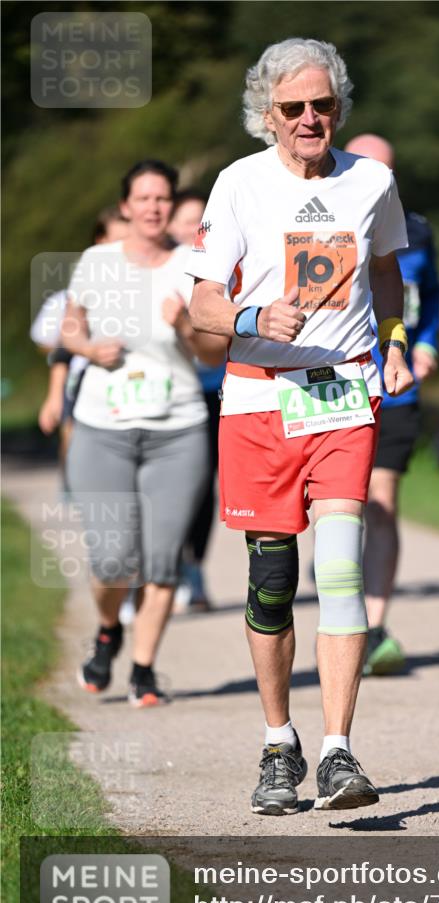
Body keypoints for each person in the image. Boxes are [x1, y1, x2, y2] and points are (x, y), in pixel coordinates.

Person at [188, 38, 413, 814]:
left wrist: (393, 342)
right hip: (257, 397)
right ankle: (277, 744)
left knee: (341, 568)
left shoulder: (372, 180)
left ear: (338, 108)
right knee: (273, 581)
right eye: (293, 108)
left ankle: (339, 752)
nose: (309, 118)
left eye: (322, 105)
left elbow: (386, 272)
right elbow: (200, 303)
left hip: (344, 396)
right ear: (267, 115)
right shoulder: (238, 185)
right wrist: (252, 313)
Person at [63, 160, 226, 707]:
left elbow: (211, 353)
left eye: (163, 198)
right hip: (102, 426)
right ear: (127, 205)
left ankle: (144, 667)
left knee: (161, 560)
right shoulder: (97, 260)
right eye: (144, 198)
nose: (154, 207)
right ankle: (108, 631)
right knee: (112, 559)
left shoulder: (193, 266)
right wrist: (88, 349)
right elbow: (70, 324)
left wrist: (185, 325)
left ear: (172, 206)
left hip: (177, 428)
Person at [344, 134, 439, 675]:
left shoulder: (420, 231)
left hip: (396, 383)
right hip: (333, 384)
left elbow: (433, 298)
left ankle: (373, 627)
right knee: (340, 508)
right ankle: (337, 608)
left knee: (382, 500)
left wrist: (425, 346)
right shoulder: (323, 223)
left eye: (387, 170)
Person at [167, 189, 227, 611]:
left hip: (212, 391)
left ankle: (194, 566)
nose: (194, 229)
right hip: (167, 394)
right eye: (186, 221)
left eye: (200, 221)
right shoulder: (159, 269)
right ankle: (157, 567)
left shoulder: (225, 262)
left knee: (204, 486)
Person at [36, 207, 130, 451]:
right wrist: (54, 396)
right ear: (101, 241)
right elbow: (62, 346)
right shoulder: (86, 285)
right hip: (85, 386)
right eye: (119, 241)